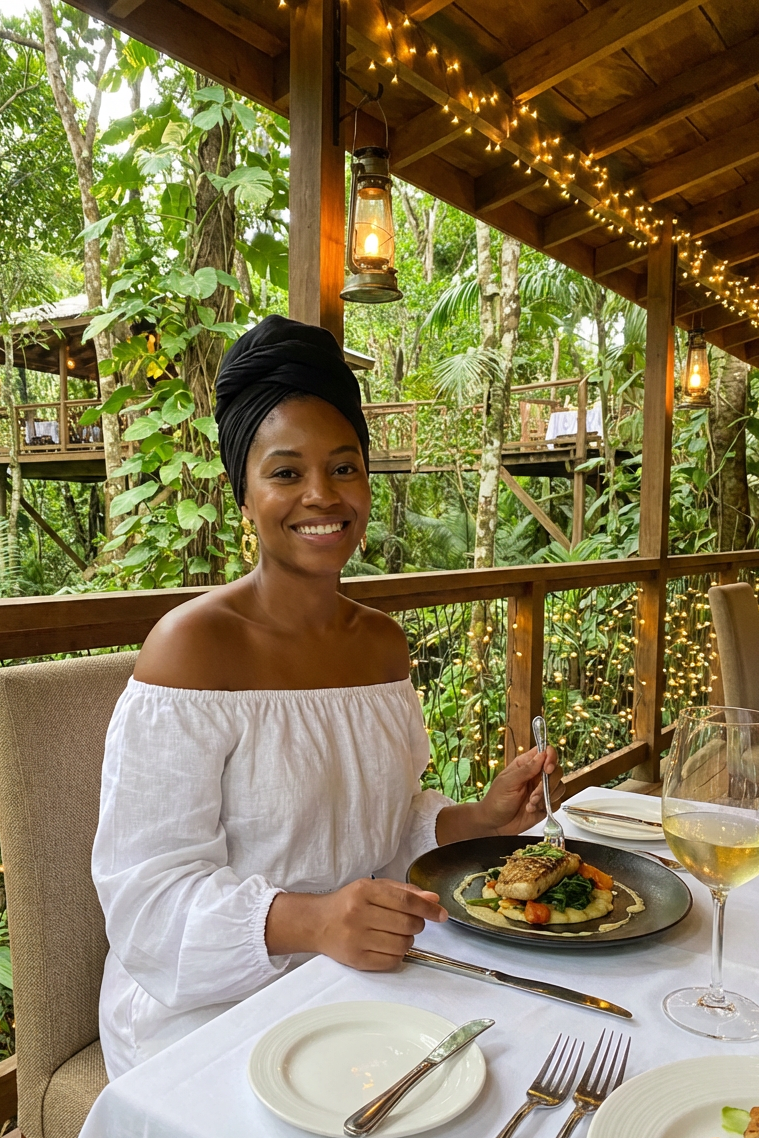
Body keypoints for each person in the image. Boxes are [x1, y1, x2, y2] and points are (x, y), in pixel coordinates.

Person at [92, 315, 564, 1080]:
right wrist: (313, 922)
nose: (322, 495)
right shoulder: (192, 649)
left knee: (521, 1066)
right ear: (243, 494)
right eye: (286, 473)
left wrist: (480, 819)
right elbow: (147, 902)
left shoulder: (381, 645)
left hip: (362, 976)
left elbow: (385, 828)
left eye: (344, 468)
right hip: (212, 1008)